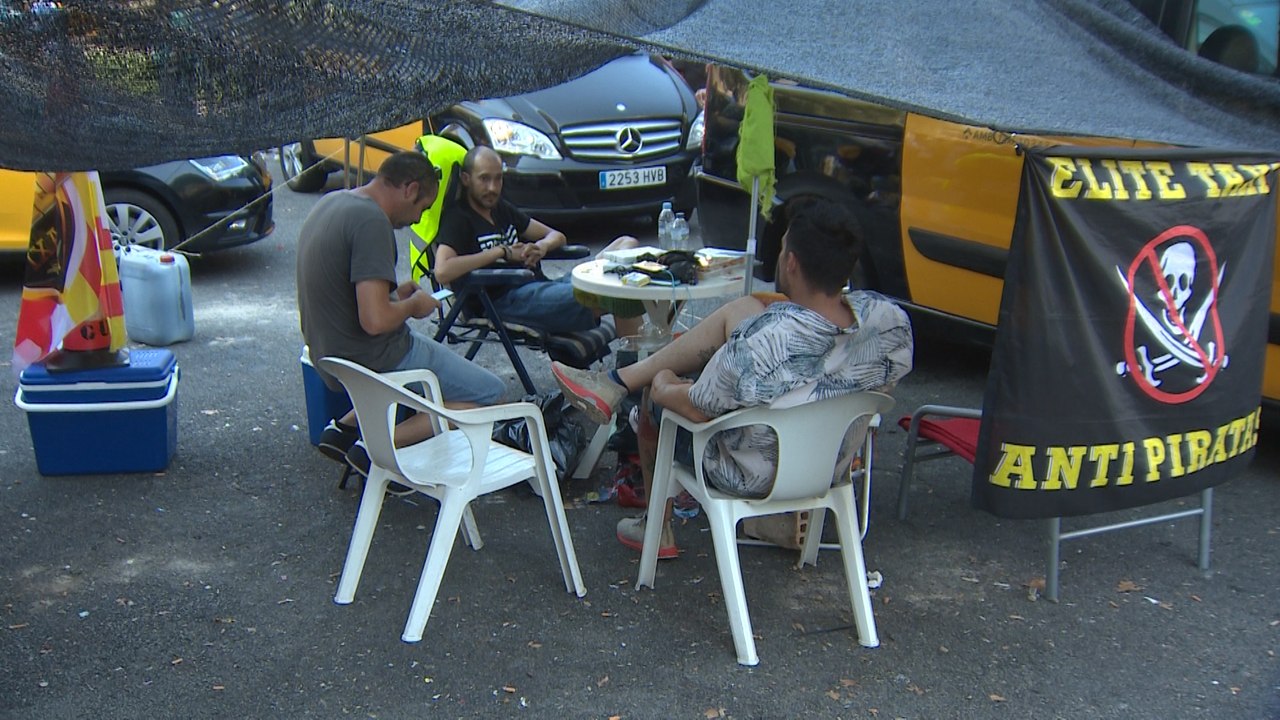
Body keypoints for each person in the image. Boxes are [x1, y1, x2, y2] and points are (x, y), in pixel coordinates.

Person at [551, 197, 914, 558]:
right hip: (827, 465)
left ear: (791, 262)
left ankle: (656, 528)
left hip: (749, 474)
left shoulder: (760, 344)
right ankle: (618, 381)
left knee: (656, 394)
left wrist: (663, 384)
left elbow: (694, 409)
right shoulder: (890, 324)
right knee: (743, 309)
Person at [297, 151, 506, 478]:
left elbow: (347, 294)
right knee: (489, 395)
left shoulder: (332, 202)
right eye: (421, 208)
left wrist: (394, 295)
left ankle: (343, 429)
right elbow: (375, 320)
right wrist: (413, 306)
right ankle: (378, 445)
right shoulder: (371, 222)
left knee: (436, 385)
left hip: (329, 356)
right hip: (374, 357)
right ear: (410, 189)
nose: (416, 219)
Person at [432, 146, 644, 338]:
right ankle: (635, 364)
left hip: (541, 288)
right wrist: (502, 252)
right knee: (619, 291)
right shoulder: (458, 218)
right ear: (466, 179)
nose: (493, 188)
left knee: (626, 244)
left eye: (498, 179)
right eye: (484, 179)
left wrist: (542, 247)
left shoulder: (500, 209)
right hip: (505, 301)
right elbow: (442, 271)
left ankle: (642, 360)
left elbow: (556, 235)